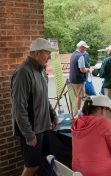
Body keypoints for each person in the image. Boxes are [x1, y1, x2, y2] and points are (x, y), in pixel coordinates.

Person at [11, 38, 58, 176]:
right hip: (31, 130)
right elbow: (18, 108)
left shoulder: (41, 71)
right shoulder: (23, 72)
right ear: (36, 53)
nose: (49, 57)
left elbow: (43, 98)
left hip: (44, 128)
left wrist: (52, 115)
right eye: (47, 53)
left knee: (42, 164)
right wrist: (29, 134)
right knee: (31, 167)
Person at [69, 41, 91, 110]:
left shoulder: (73, 54)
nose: (85, 49)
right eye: (85, 48)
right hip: (79, 80)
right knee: (79, 97)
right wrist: (88, 70)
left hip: (72, 79)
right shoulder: (80, 56)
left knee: (73, 97)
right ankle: (77, 113)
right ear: (81, 47)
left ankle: (72, 112)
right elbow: (82, 70)